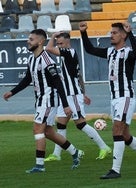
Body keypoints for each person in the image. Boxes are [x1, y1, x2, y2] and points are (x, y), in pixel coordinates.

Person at [79, 21, 136, 179]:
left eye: (115, 33)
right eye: (110, 33)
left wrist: (131, 33)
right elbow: (90, 49)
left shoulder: (128, 52)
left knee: (116, 130)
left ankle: (115, 170)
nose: (111, 35)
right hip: (115, 99)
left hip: (125, 97)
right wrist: (83, 33)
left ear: (123, 35)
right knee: (124, 136)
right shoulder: (110, 51)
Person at [3, 29, 83, 173]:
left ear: (40, 42)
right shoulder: (32, 58)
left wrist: (65, 105)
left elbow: (58, 82)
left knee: (37, 129)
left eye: (31, 39)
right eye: (29, 38)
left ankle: (39, 166)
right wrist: (12, 92)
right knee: (48, 132)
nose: (28, 41)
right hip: (41, 99)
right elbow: (28, 79)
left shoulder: (47, 59)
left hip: (48, 99)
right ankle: (75, 152)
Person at [44, 32, 111, 162]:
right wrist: (84, 93)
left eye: (61, 43)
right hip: (68, 95)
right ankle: (56, 154)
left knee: (80, 124)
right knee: (61, 124)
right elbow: (79, 75)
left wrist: (52, 37)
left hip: (73, 95)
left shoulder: (69, 52)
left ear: (68, 42)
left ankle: (104, 147)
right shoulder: (67, 55)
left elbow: (48, 49)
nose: (59, 46)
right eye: (58, 44)